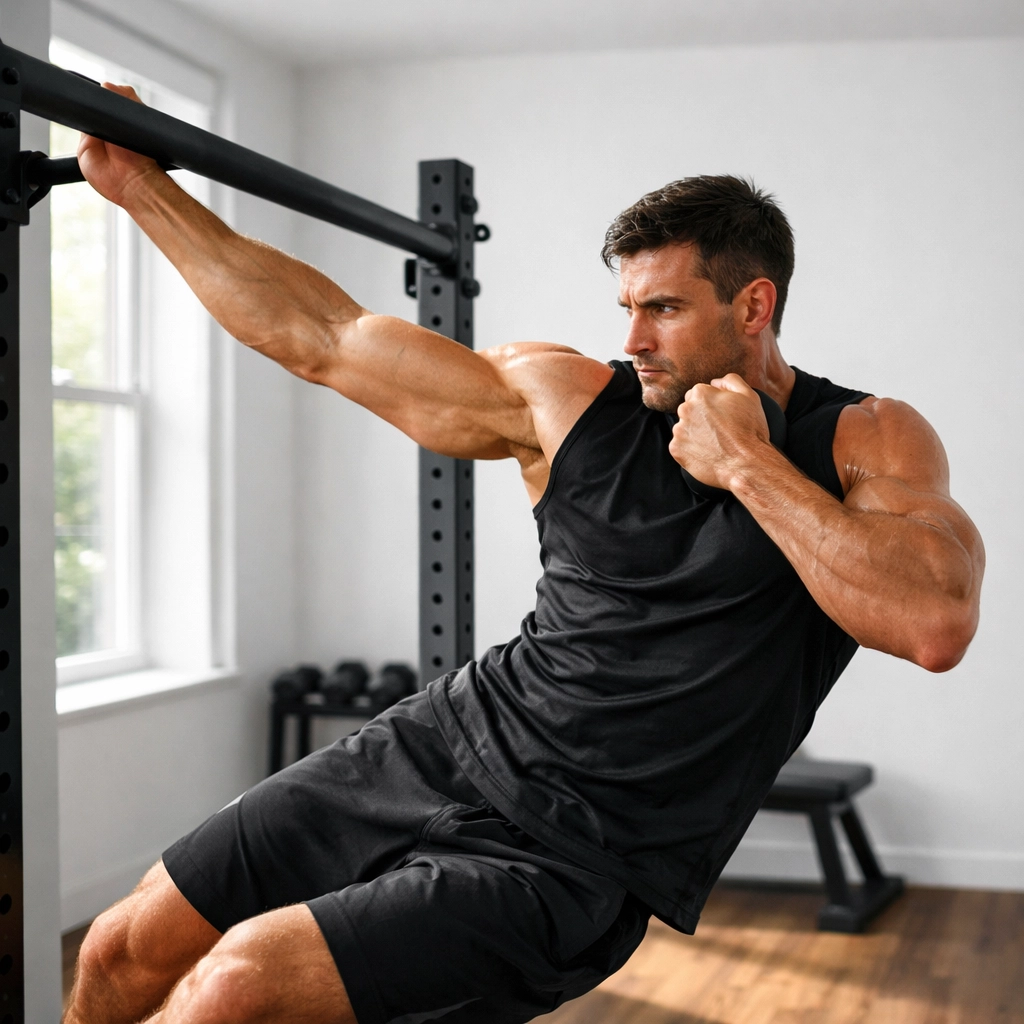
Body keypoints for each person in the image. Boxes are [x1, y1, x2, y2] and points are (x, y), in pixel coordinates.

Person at [63, 86, 984, 1024]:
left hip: (580, 855)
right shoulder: (571, 401)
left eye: (662, 309)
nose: (632, 340)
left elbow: (934, 622)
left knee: (237, 986)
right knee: (121, 945)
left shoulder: (865, 438)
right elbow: (325, 339)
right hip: (441, 744)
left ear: (754, 305)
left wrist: (747, 464)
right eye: (625, 306)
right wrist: (138, 186)